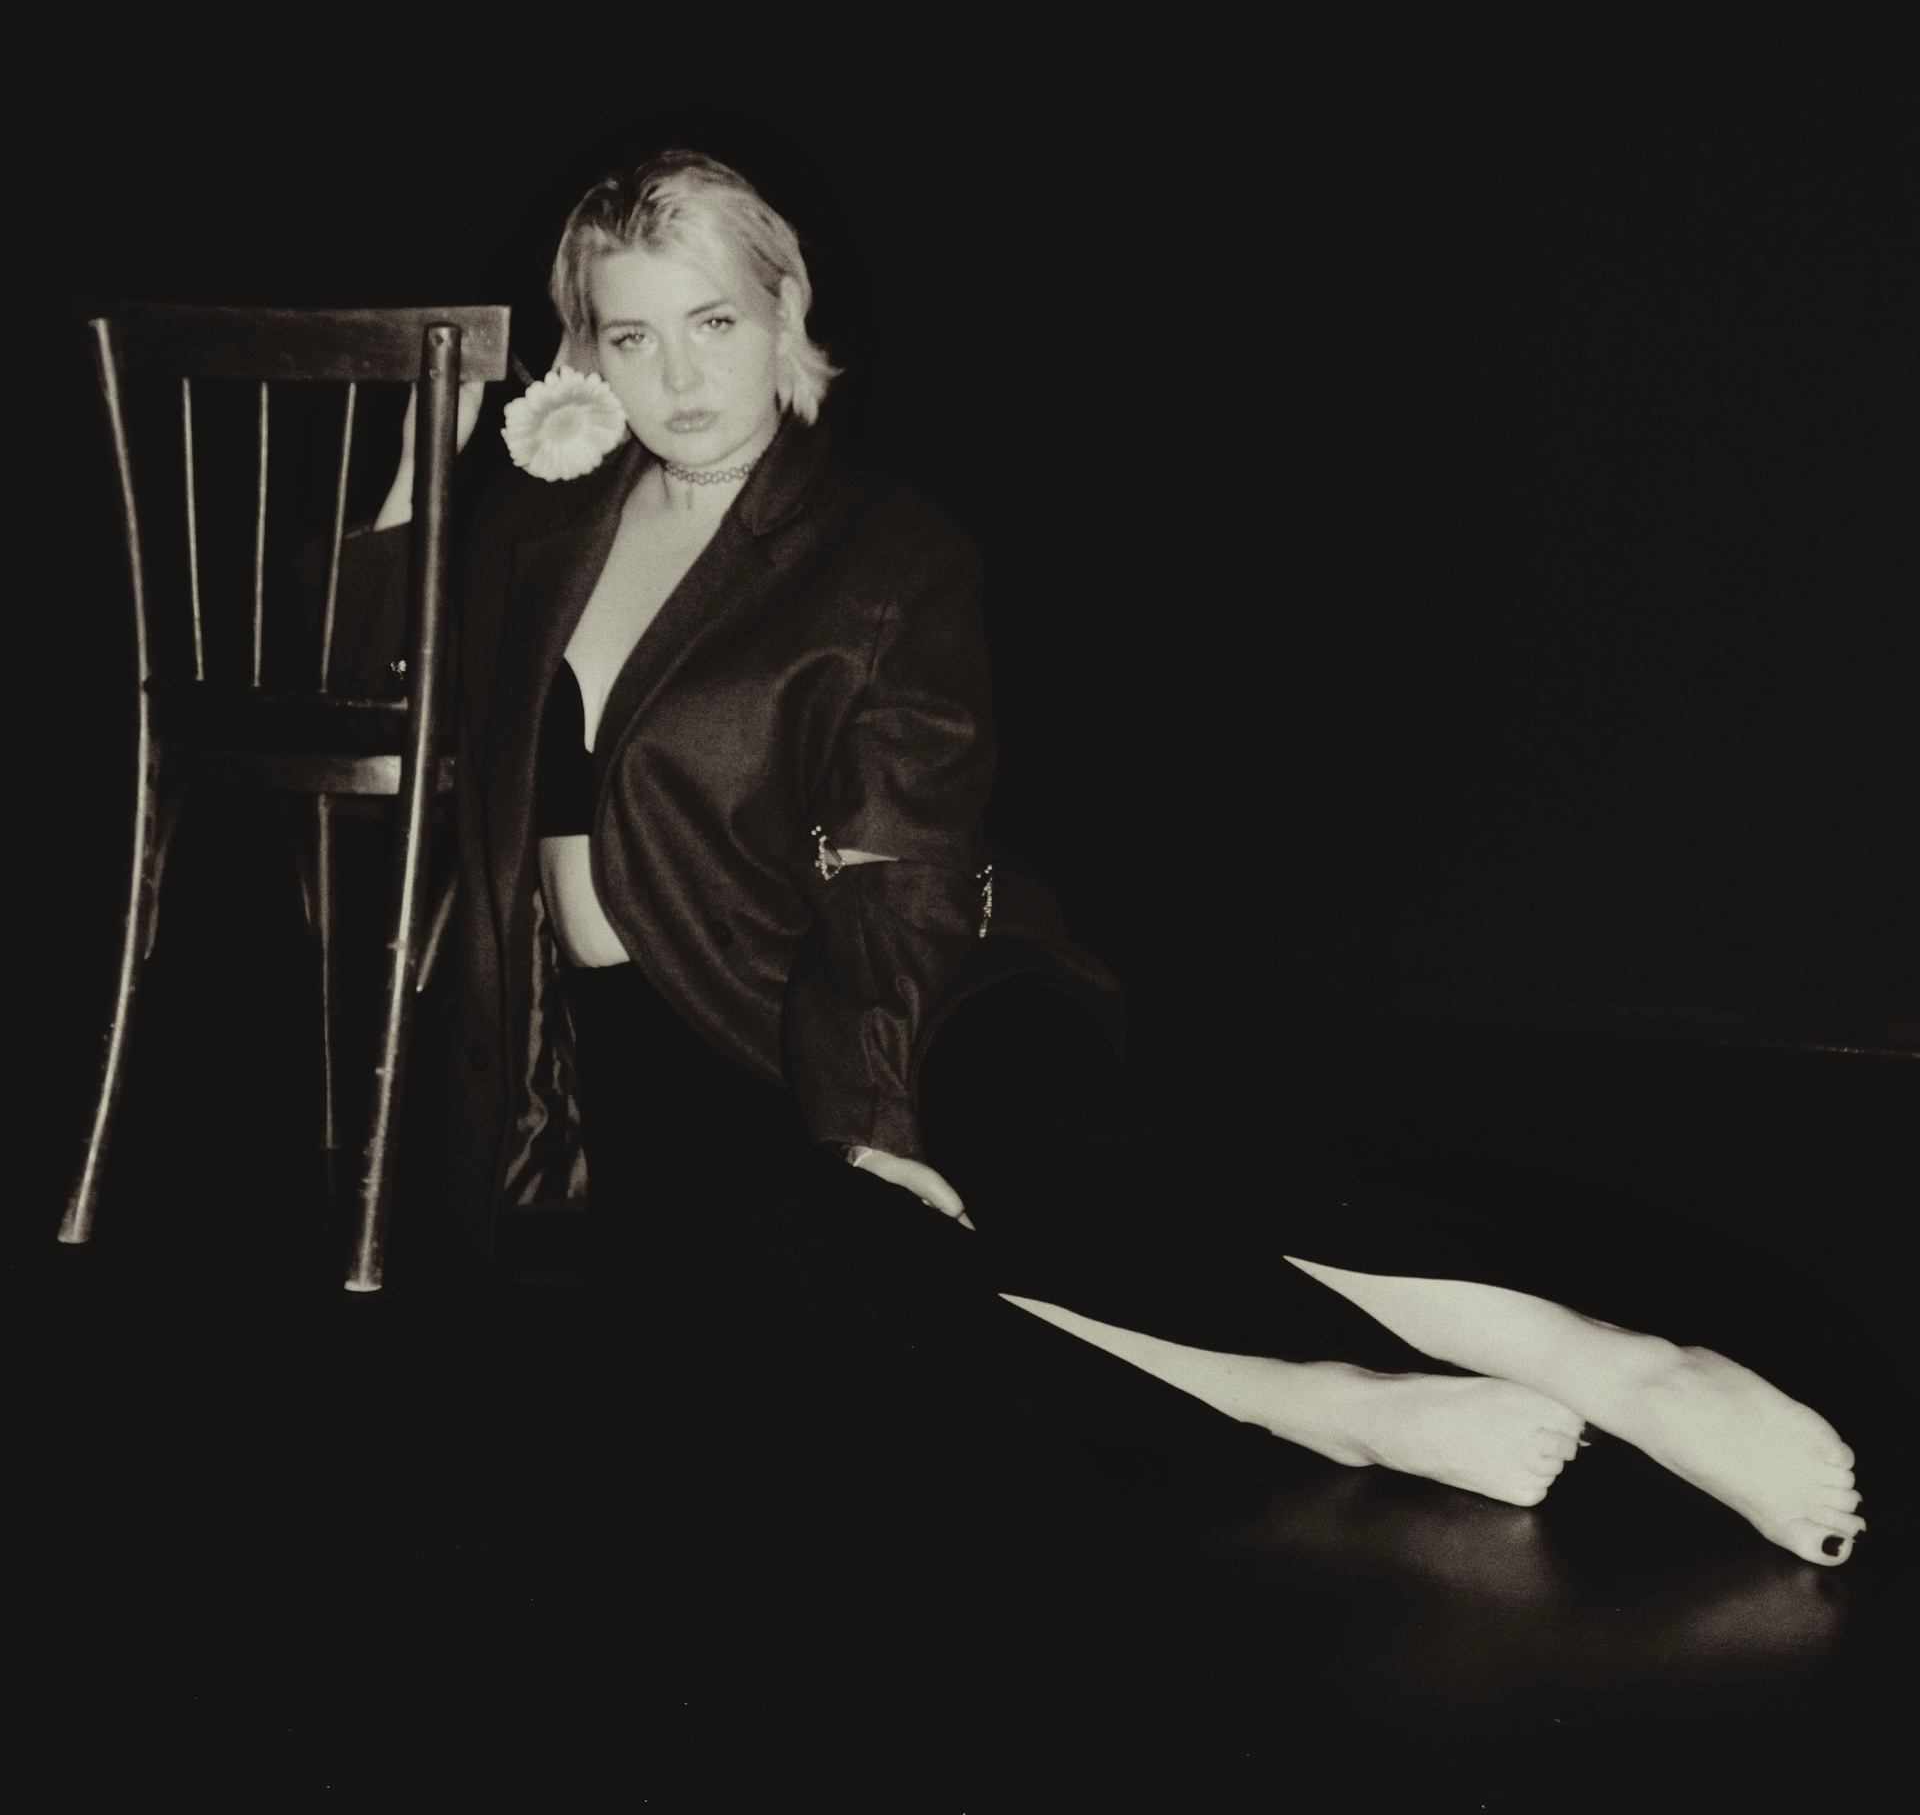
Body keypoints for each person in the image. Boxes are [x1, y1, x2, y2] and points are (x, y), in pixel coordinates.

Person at [328, 147, 1863, 1568]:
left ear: (785, 314)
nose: (677, 377)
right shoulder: (543, 531)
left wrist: (875, 1116)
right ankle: (1305, 1403)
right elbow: (364, 658)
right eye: (632, 336)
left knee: (1053, 1169)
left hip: (921, 973)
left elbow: (900, 867)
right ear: (583, 356)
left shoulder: (885, 553)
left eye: (712, 322)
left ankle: (1617, 1362)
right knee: (781, 1256)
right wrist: (438, 445)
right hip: (654, 1039)